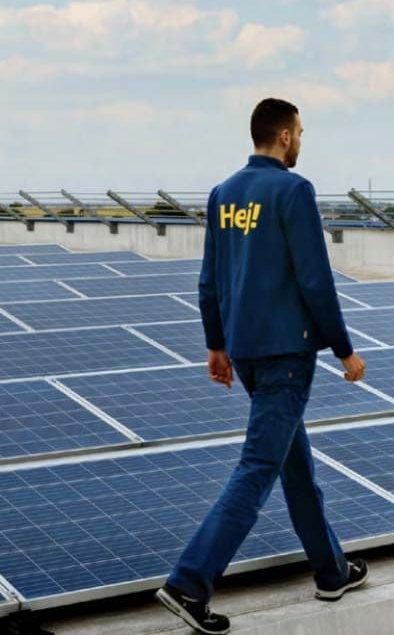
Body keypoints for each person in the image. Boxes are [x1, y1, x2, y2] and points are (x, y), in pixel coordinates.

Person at [156, 98, 369, 635]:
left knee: (293, 465)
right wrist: (344, 348)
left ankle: (331, 571)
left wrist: (216, 344)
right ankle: (189, 582)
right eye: (298, 132)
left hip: (246, 352)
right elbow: (315, 279)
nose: (301, 140)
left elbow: (209, 279)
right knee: (258, 467)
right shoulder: (293, 191)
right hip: (286, 355)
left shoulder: (223, 193)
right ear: (281, 137)